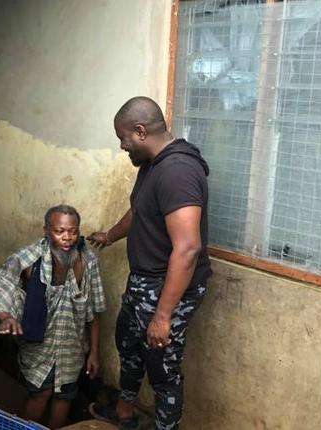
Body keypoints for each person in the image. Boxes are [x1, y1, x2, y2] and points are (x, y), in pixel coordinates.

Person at [87, 96, 211, 430]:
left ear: (140, 131)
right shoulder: (153, 164)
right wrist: (111, 235)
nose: (122, 146)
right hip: (144, 281)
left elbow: (187, 248)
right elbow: (141, 209)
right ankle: (125, 414)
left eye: (123, 138)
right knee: (128, 344)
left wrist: (163, 315)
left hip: (166, 288)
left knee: (162, 368)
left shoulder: (178, 171)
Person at [0, 205, 106, 428]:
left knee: (65, 395)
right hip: (39, 346)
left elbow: (93, 312)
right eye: (59, 231)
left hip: (72, 346)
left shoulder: (88, 262)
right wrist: (6, 316)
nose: (67, 238)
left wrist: (94, 352)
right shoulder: (28, 260)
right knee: (41, 393)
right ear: (46, 230)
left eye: (73, 232)